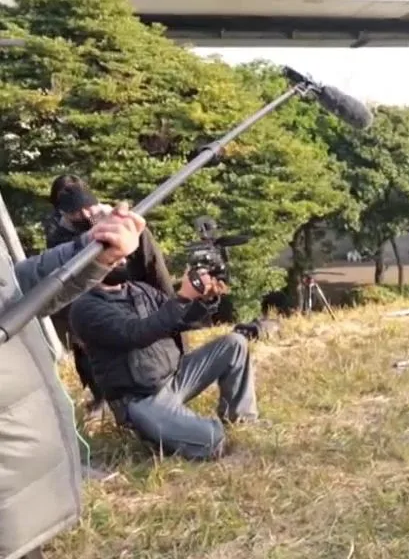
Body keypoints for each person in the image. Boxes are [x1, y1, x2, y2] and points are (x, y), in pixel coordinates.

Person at [0, 202, 146, 559]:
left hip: (18, 484)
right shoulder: (91, 312)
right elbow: (136, 333)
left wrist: (90, 250)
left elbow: (12, 292)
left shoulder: (142, 293)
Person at [69, 264, 259, 461]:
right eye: (114, 256)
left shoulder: (141, 290)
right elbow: (135, 333)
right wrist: (183, 297)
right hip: (140, 400)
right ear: (93, 262)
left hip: (177, 376)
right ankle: (186, 430)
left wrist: (203, 299)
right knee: (211, 439)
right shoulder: (85, 308)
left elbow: (179, 320)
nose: (123, 260)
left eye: (124, 256)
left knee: (235, 343)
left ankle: (242, 420)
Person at [44, 175, 177, 413]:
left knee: (146, 339)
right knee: (92, 352)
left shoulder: (118, 221)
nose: (85, 215)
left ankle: (166, 384)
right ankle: (105, 399)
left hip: (132, 291)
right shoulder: (58, 236)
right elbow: (63, 281)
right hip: (89, 302)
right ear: (62, 210)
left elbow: (152, 264)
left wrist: (174, 307)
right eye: (76, 211)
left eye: (87, 207)